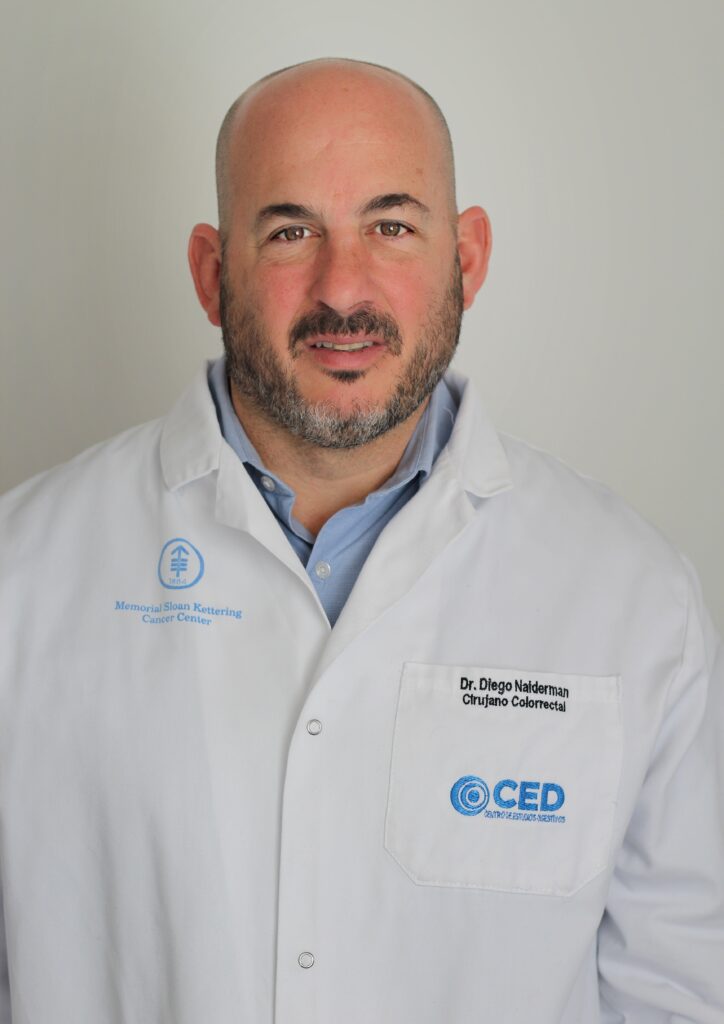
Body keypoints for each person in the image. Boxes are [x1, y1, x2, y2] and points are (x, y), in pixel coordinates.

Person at [0, 56, 721, 1024]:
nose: (343, 289)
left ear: (467, 258)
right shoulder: (22, 573)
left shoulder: (634, 599)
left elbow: (677, 992)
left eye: (391, 226)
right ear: (213, 274)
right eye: (290, 231)